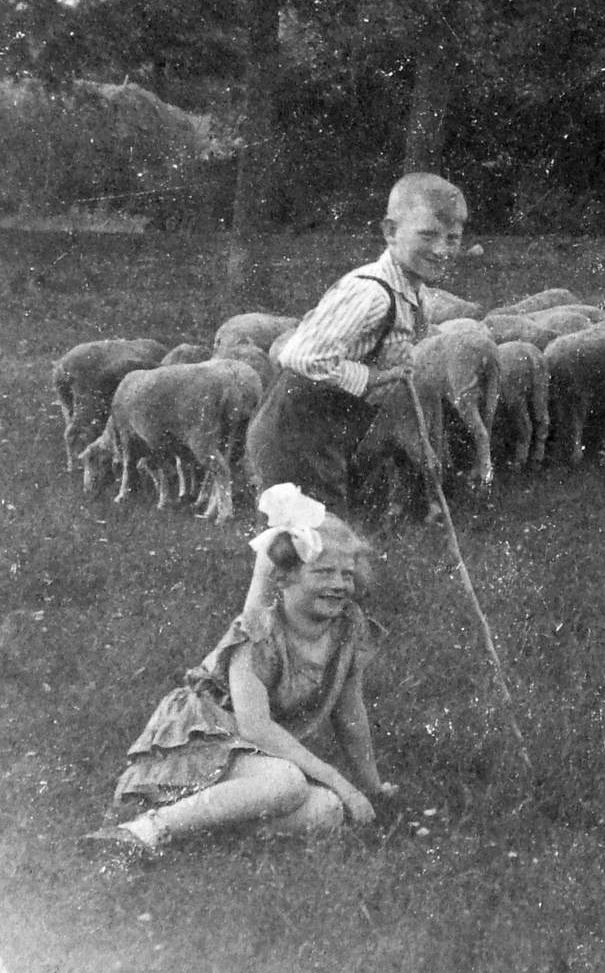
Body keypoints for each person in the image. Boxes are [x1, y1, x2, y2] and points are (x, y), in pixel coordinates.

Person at [87, 484, 394, 854]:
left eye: (346, 574)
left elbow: (350, 715)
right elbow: (256, 729)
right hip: (203, 743)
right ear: (284, 577)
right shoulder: (258, 633)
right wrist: (340, 781)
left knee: (327, 810)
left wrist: (372, 787)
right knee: (288, 783)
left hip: (251, 760)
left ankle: (198, 830)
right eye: (324, 572)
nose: (338, 585)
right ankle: (147, 829)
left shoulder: (348, 627)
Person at [244, 172, 467, 510]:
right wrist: (374, 377)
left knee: (331, 529)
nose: (441, 249)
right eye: (427, 235)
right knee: (308, 532)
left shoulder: (415, 296)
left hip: (328, 432)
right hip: (292, 430)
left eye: (453, 238)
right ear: (390, 232)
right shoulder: (370, 293)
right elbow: (302, 358)